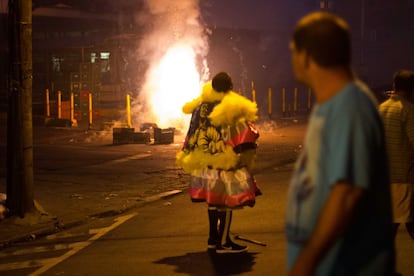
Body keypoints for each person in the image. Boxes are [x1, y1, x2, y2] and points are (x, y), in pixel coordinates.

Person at [285, 11, 395, 275]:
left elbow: (346, 194)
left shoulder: (351, 106)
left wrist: (306, 261)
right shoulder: (331, 105)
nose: (292, 59)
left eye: (293, 51)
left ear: (307, 56)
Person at [176, 72, 260, 254]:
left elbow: (192, 132)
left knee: (212, 203)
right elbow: (244, 135)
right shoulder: (230, 107)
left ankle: (212, 240)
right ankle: (224, 242)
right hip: (224, 161)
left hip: (204, 162)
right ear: (229, 87)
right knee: (226, 203)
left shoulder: (200, 106)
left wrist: (189, 154)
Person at [379, 69, 414, 241]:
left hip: (384, 178)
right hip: (403, 178)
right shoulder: (407, 110)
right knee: (408, 220)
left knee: (392, 223)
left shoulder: (382, 108)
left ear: (394, 86)